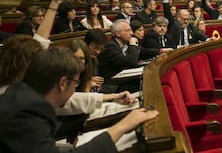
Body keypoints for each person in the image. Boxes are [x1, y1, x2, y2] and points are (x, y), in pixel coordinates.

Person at [0, 47, 158, 152]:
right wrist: (122, 126)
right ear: (62, 83)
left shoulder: (22, 92)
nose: (74, 90)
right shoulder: (30, 113)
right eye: (75, 84)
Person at [98, 20, 141, 91]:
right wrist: (133, 45)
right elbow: (131, 62)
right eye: (128, 31)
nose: (132, 33)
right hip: (112, 85)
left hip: (123, 80)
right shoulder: (111, 46)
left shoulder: (124, 44)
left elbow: (142, 52)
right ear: (118, 34)